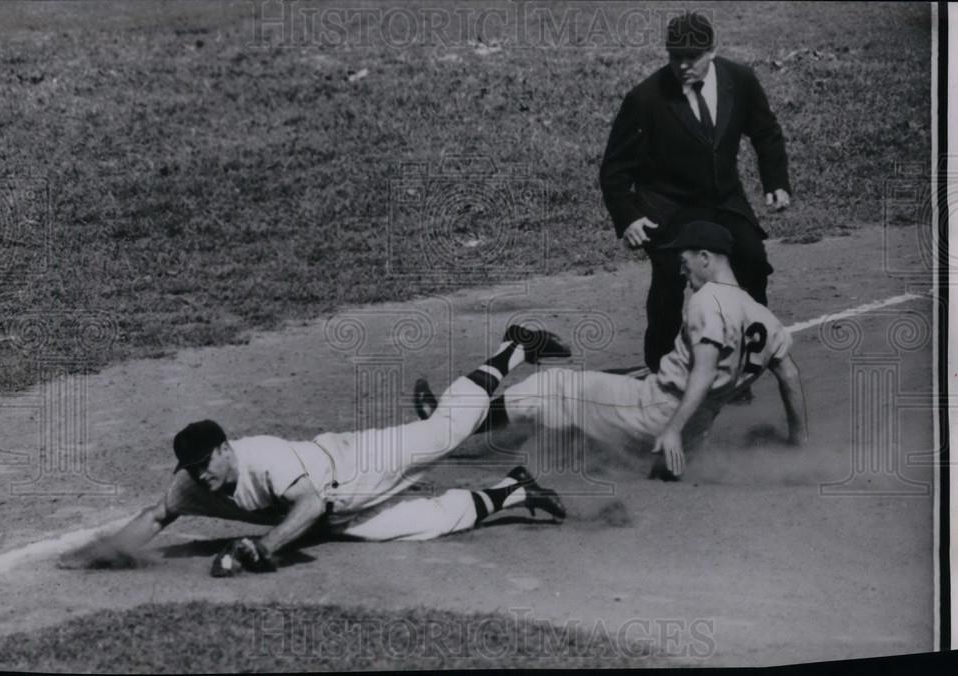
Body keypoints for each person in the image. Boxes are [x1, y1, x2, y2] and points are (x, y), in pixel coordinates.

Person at [59, 326, 571, 577]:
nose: (198, 476)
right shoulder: (192, 483)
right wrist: (106, 550)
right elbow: (156, 516)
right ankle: (515, 490)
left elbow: (307, 506)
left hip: (357, 464)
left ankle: (515, 347)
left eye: (202, 464)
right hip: (339, 512)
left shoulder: (264, 459)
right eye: (189, 469)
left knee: (444, 431)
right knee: (426, 522)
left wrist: (265, 547)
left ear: (224, 449)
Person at [414, 221, 808, 480]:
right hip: (697, 434)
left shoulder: (708, 300)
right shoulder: (764, 317)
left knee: (551, 386)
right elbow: (790, 377)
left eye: (685, 261)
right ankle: (580, 454)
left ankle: (447, 423)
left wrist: (670, 430)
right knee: (609, 393)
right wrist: (798, 446)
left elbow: (703, 372)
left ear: (705, 258)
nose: (681, 270)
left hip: (658, 415)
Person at [599, 11, 792, 387]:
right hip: (668, 207)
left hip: (724, 201)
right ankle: (661, 372)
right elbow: (614, 168)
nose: (684, 65)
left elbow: (766, 131)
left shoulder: (740, 79)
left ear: (712, 51)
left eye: (693, 56)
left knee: (752, 263)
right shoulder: (645, 98)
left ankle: (743, 364)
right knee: (671, 279)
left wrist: (776, 182)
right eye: (676, 57)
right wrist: (629, 216)